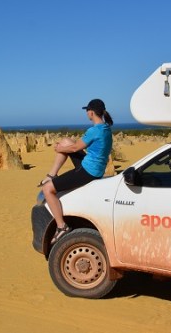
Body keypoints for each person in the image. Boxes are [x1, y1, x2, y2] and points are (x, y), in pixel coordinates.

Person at [39, 99, 113, 245]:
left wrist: (60, 149)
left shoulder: (94, 131)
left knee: (47, 190)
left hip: (88, 171)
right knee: (66, 141)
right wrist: (64, 146)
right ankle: (51, 175)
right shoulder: (106, 128)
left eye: (87, 111)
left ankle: (61, 226)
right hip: (94, 168)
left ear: (91, 112)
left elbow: (75, 148)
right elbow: (74, 146)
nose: (87, 113)